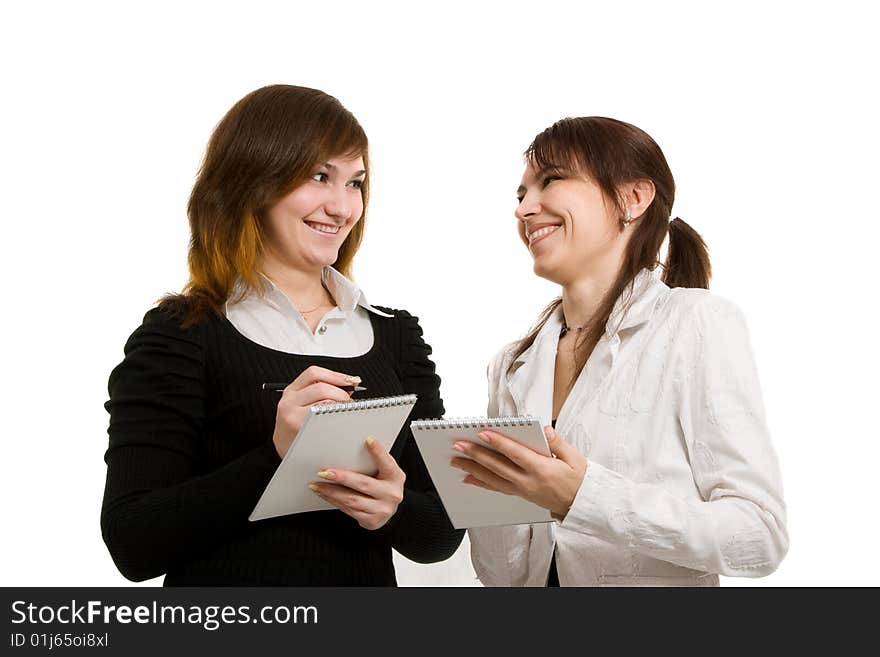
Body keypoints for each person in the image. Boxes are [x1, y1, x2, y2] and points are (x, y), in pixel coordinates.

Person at [100, 85, 463, 585]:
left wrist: (394, 509)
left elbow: (442, 536)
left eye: (355, 183)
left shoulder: (397, 335)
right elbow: (133, 543)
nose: (342, 207)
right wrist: (278, 456)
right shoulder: (182, 335)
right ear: (253, 181)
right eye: (320, 177)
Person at [458, 117, 788, 586]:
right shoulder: (512, 364)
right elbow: (501, 576)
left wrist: (582, 497)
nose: (525, 209)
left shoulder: (695, 324)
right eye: (520, 195)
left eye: (550, 180)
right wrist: (487, 495)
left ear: (633, 199)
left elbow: (759, 536)